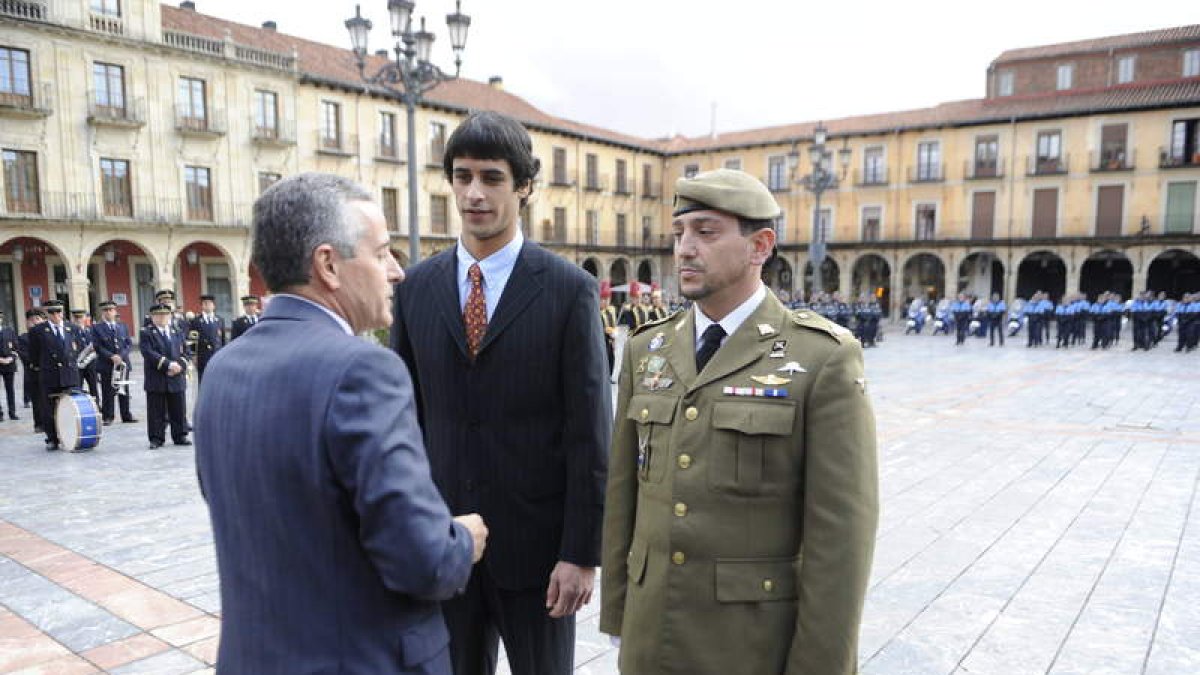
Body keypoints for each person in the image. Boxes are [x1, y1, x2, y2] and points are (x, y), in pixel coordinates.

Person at [196, 172, 487, 674]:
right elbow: (423, 561)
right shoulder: (363, 370)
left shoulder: (223, 367)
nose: (396, 271)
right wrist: (461, 539)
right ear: (328, 265)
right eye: (381, 253)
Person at [600, 168, 879, 675]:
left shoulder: (821, 358)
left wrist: (821, 664)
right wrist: (620, 611)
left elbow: (841, 535)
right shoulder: (647, 349)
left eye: (705, 232)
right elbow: (625, 495)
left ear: (760, 246)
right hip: (651, 638)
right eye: (679, 233)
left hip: (749, 644)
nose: (684, 248)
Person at [391, 111, 611, 675]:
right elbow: (403, 423)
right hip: (443, 548)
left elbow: (590, 433)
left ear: (525, 187)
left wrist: (580, 554)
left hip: (538, 559)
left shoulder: (569, 291)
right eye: (462, 177)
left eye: (491, 178)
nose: (474, 194)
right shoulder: (416, 288)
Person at [27, 300, 83, 450]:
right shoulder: (38, 331)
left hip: (69, 373)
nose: (56, 315)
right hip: (50, 374)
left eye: (59, 312)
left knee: (71, 407)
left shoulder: (72, 328)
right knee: (49, 409)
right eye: (52, 312)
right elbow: (34, 354)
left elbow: (78, 349)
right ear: (47, 314)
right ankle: (52, 438)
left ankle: (71, 436)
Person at [140, 305, 191, 449]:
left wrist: (180, 366)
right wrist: (168, 365)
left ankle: (180, 435)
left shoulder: (177, 331)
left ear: (170, 316)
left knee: (178, 408)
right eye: (158, 315)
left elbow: (186, 352)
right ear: (152, 317)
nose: (162, 317)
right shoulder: (147, 333)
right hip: (157, 377)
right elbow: (148, 353)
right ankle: (156, 438)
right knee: (156, 410)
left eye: (165, 314)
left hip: (176, 376)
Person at [91, 300, 137, 425]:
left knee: (124, 389)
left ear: (115, 311)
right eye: (105, 310)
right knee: (108, 390)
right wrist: (111, 356)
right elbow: (97, 346)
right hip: (107, 363)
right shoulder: (97, 328)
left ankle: (126, 414)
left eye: (111, 310)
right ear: (102, 312)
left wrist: (120, 356)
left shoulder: (122, 326)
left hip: (122, 363)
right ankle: (108, 416)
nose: (108, 313)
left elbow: (128, 344)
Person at [17, 309, 45, 429]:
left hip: (48, 372)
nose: (35, 322)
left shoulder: (47, 335)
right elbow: (25, 356)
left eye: (38, 319)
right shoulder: (23, 338)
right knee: (37, 399)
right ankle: (38, 424)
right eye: (32, 320)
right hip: (33, 372)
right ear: (27, 322)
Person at [190, 294, 226, 383]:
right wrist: (194, 356)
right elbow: (192, 341)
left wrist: (224, 354)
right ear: (202, 306)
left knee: (218, 381)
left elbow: (223, 339)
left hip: (217, 355)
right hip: (203, 356)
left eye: (209, 303)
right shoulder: (196, 321)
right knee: (203, 381)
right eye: (205, 303)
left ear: (214, 306)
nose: (207, 305)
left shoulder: (219, 320)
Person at [70, 308, 100, 400]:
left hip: (91, 363)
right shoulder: (69, 331)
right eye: (76, 317)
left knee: (94, 388)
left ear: (85, 318)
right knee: (77, 388)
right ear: (73, 319)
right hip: (77, 365)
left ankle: (96, 407)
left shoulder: (91, 330)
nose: (78, 320)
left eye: (81, 317)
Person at [0, 310, 18, 421]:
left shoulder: (9, 330)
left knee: (10, 389)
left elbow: (16, 347)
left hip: (9, 364)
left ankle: (12, 413)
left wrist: (11, 358)